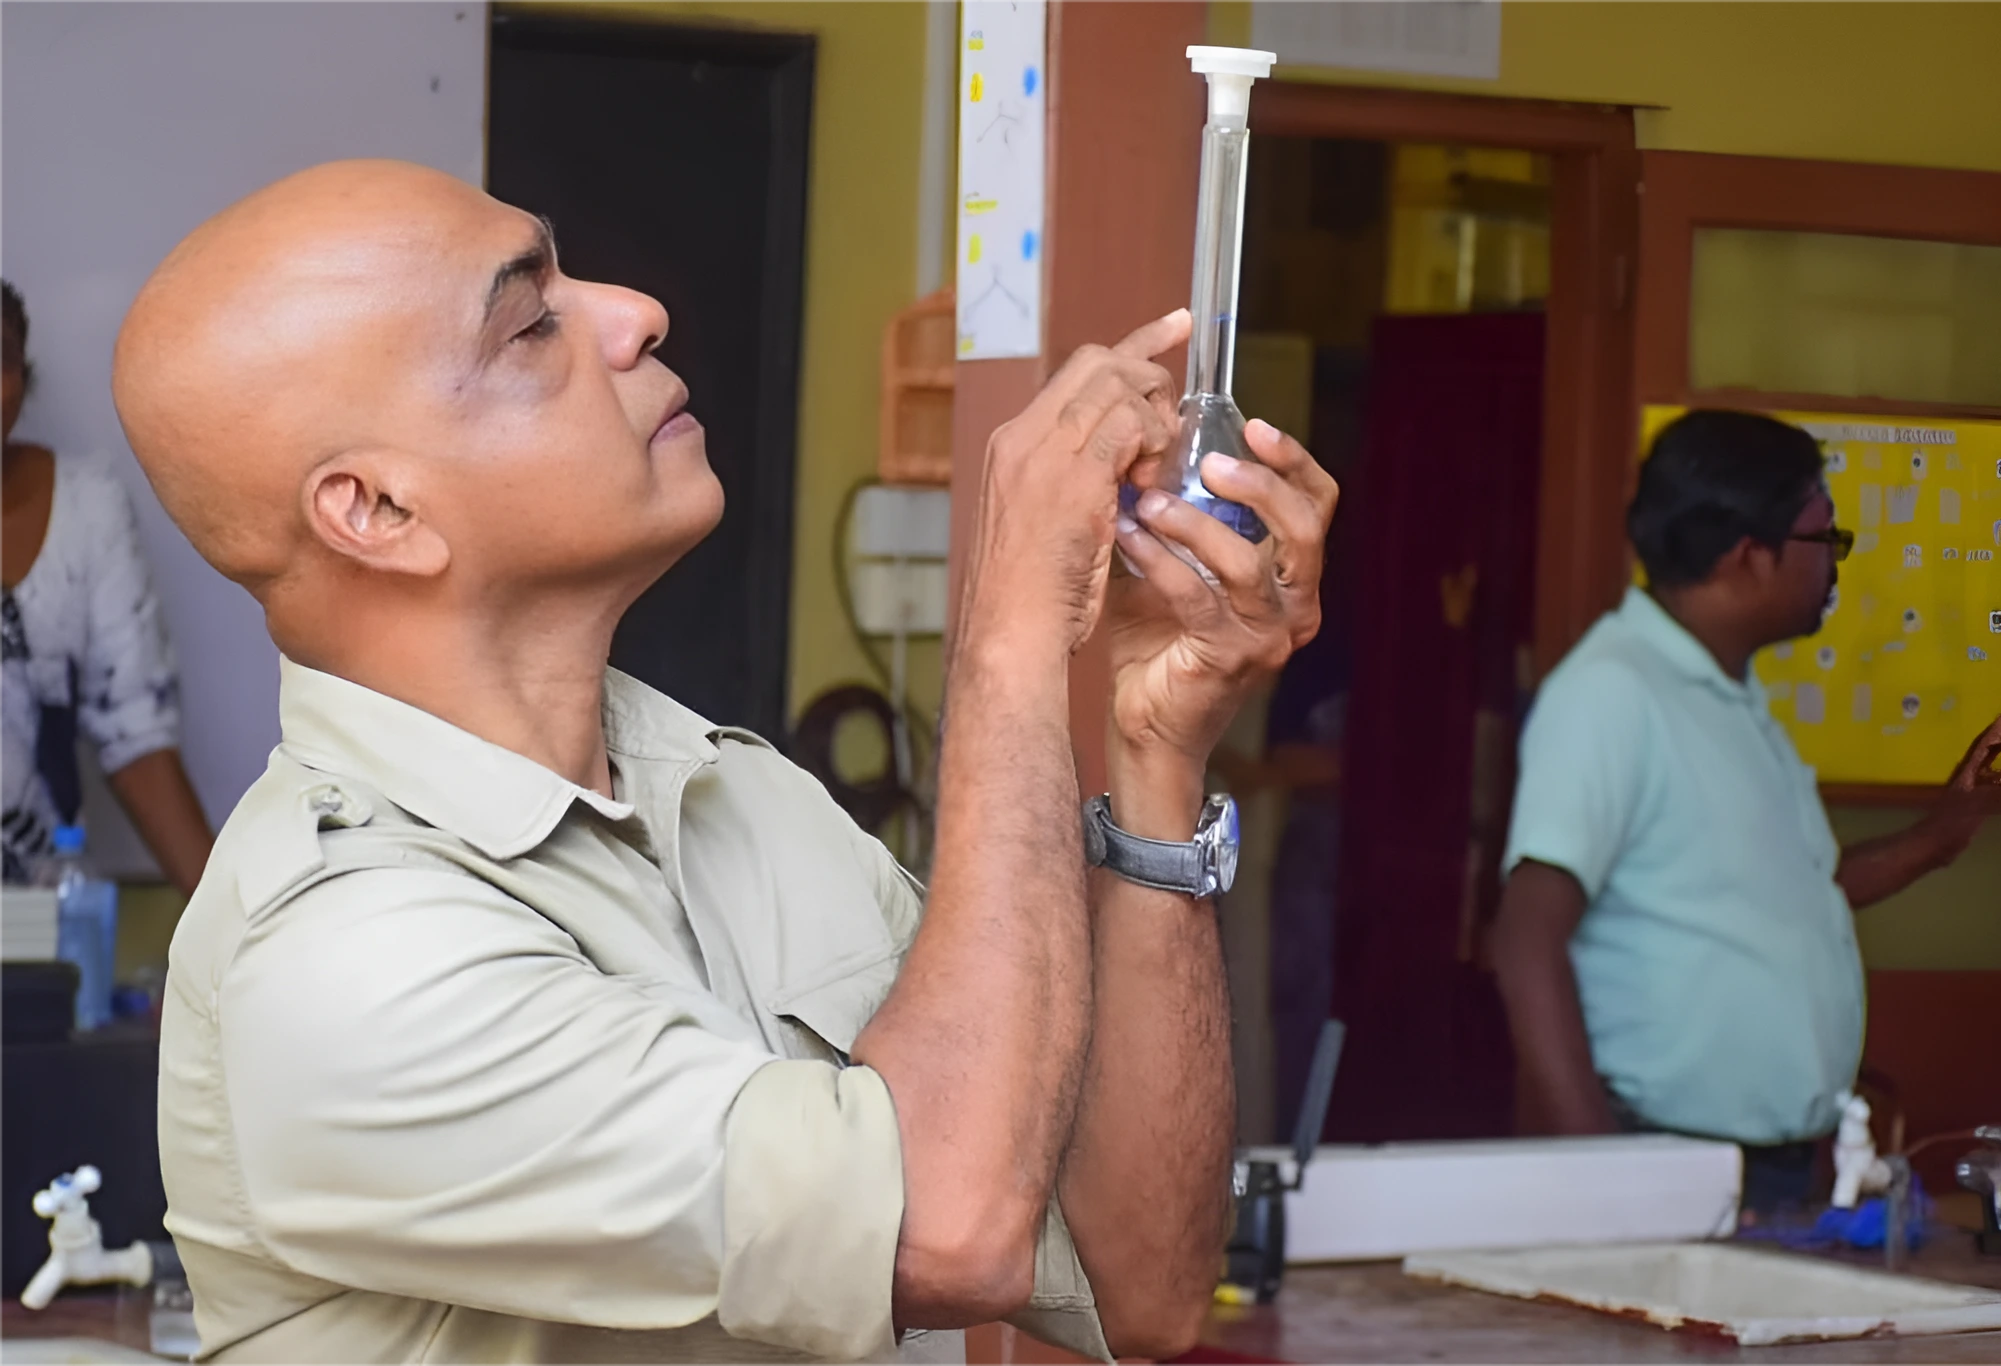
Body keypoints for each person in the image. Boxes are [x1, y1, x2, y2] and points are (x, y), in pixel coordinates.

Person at [112, 161, 1336, 1363]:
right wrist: (1010, 640)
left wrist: (1152, 747)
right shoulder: (345, 959)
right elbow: (947, 1230)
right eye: (532, 321)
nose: (635, 313)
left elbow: (1137, 1285)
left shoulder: (736, 792)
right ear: (377, 512)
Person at [1490, 409, 2001, 1212]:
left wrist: (1939, 838)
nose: (1837, 566)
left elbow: (1793, 896)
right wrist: (1604, 1171)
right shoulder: (1613, 694)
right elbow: (1527, 938)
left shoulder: (1729, 698)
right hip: (1659, 1158)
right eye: (1824, 541)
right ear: (1748, 556)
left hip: (1769, 1166)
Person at [0, 275, 211, 893]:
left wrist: (237, 940)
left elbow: (137, 740)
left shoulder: (87, 510)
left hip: (38, 922)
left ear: (23, 376)